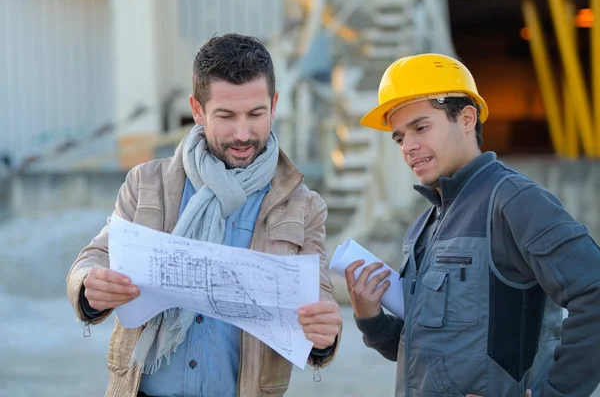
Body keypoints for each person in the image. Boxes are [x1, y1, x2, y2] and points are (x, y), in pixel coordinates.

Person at [66, 33, 342, 397]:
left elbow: (318, 299)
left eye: (256, 114)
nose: (243, 133)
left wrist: (324, 335)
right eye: (226, 116)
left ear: (274, 105)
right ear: (197, 109)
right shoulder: (147, 183)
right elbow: (95, 256)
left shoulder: (303, 205)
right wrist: (89, 284)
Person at [344, 53, 600, 396]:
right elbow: (425, 355)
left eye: (420, 127)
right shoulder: (423, 226)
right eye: (400, 137)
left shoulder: (514, 201)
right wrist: (370, 318)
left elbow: (595, 292)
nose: (409, 146)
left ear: (466, 118)